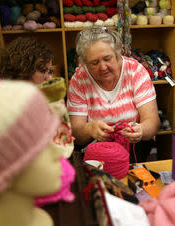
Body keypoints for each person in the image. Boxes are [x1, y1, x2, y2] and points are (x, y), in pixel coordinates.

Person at [67, 26, 160, 163]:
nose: (103, 67)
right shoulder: (79, 80)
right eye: (94, 62)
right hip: (96, 149)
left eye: (107, 58)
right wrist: (89, 129)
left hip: (133, 147)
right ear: (85, 63)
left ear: (118, 53)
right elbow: (77, 131)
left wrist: (141, 130)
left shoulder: (135, 72)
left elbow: (153, 122)